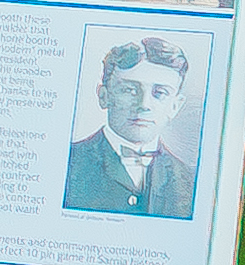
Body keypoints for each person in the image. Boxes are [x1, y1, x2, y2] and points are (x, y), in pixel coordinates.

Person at [62, 36, 199, 217]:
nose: (144, 105)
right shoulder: (67, 163)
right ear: (104, 96)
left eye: (160, 93)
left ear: (175, 106)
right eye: (130, 90)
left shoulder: (189, 179)